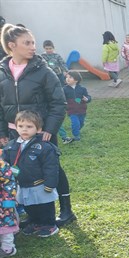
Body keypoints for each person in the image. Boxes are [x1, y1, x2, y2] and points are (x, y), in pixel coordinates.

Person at [0, 24, 75, 227]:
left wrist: (49, 129)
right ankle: (32, 214)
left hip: (41, 132)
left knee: (52, 168)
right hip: (14, 133)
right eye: (27, 43)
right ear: (11, 45)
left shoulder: (43, 71)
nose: (33, 47)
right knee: (22, 170)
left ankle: (67, 210)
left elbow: (58, 103)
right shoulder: (2, 72)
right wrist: (2, 132)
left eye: (33, 42)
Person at [1, 111, 60, 237]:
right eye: (21, 126)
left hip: (40, 184)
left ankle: (49, 225)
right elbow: (4, 163)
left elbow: (51, 167)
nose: (24, 130)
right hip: (22, 184)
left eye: (29, 126)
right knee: (30, 206)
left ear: (38, 129)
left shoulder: (44, 146)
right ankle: (36, 222)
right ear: (16, 127)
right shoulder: (11, 146)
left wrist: (50, 184)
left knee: (44, 206)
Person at [60, 71, 90, 144]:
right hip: (72, 110)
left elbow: (88, 96)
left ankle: (77, 130)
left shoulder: (82, 89)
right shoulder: (64, 89)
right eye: (67, 77)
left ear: (76, 80)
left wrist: (87, 99)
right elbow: (62, 98)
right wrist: (64, 103)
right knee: (75, 123)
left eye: (70, 77)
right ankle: (76, 136)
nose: (67, 79)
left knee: (81, 123)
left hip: (82, 109)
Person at [0, 149, 16, 257]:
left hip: (2, 202)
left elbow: (8, 182)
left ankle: (8, 248)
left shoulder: (2, 165)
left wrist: (9, 200)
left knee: (6, 224)